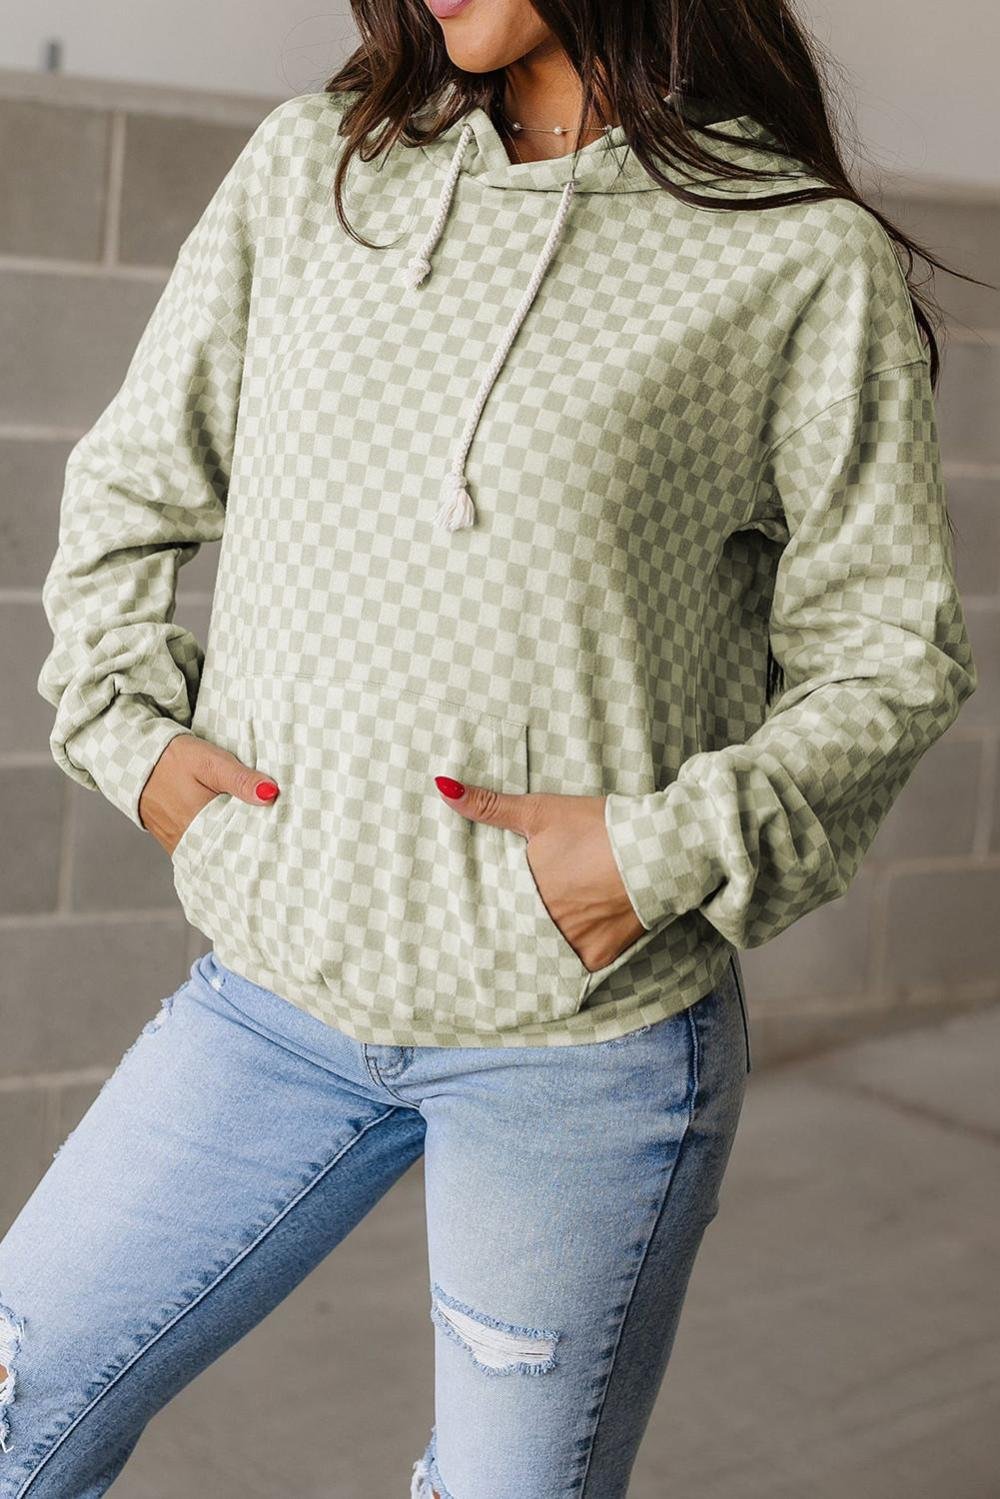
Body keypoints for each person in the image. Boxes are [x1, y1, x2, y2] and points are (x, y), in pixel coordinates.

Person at [1, 0, 979, 1494]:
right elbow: (133, 481)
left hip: (578, 1040)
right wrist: (123, 731)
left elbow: (890, 650)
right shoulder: (316, 171)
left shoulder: (790, 253)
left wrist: (653, 857)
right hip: (275, 994)